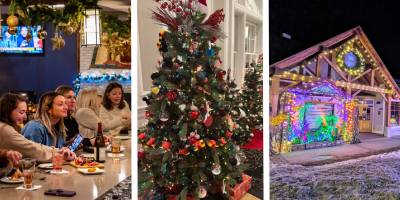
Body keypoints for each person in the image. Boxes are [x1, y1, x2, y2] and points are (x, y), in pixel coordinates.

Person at [0, 93, 74, 163]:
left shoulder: (57, 128)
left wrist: (63, 149)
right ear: (8, 111)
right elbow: (32, 150)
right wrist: (59, 153)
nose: (66, 107)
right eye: (21, 112)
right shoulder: (6, 129)